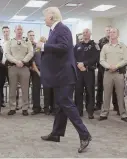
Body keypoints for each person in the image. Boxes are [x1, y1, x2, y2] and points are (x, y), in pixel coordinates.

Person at [36, 7, 91, 153]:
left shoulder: (62, 29)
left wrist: (44, 46)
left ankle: (85, 135)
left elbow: (64, 47)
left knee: (66, 103)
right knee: (60, 104)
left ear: (52, 17)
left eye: (45, 16)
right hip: (59, 74)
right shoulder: (54, 30)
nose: (44, 19)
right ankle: (56, 133)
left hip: (65, 75)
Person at [99, 28, 127, 122]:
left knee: (120, 94)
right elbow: (101, 60)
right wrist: (109, 67)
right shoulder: (105, 47)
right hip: (108, 73)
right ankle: (104, 113)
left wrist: (116, 66)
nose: (111, 34)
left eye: (114, 32)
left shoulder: (123, 46)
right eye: (110, 32)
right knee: (107, 94)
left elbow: (125, 60)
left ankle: (123, 114)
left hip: (119, 73)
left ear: (118, 34)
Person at [5, 25, 34, 116]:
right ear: (14, 31)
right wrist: (16, 61)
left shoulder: (27, 41)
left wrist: (23, 61)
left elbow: (31, 53)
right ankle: (12, 107)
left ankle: (25, 108)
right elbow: (7, 54)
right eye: (18, 29)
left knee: (25, 89)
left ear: (23, 31)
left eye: (21, 29)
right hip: (13, 67)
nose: (19, 31)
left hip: (24, 67)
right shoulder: (10, 41)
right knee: (12, 88)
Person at [74, 28, 99, 119]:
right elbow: (73, 57)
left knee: (90, 91)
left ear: (90, 34)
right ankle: (78, 110)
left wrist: (84, 64)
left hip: (89, 71)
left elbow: (96, 58)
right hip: (78, 71)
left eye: (86, 32)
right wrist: (78, 64)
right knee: (78, 91)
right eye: (83, 33)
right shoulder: (78, 45)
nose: (84, 34)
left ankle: (90, 111)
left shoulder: (94, 45)